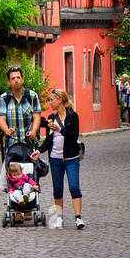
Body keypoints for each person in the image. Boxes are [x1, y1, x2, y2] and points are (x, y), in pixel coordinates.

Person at [39, 88, 84, 229]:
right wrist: (38, 151)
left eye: (52, 99)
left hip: (71, 158)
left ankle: (78, 218)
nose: (50, 103)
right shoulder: (51, 118)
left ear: (60, 100)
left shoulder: (73, 116)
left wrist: (60, 130)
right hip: (55, 159)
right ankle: (59, 218)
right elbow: (48, 141)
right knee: (57, 189)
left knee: (74, 187)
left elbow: (73, 136)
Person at [0, 66, 42, 193]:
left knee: (31, 173)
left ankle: (30, 196)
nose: (16, 80)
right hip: (12, 144)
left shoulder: (32, 96)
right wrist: (7, 130)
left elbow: (37, 117)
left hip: (28, 143)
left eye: (18, 77)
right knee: (12, 173)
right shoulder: (4, 98)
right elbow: (1, 118)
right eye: (13, 78)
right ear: (9, 82)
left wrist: (33, 131)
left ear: (22, 79)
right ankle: (14, 197)